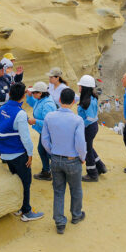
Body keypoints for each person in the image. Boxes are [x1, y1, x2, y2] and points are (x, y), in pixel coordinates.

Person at [40, 87, 87, 234]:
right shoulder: (77, 120)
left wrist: (53, 152)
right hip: (72, 159)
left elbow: (45, 140)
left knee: (58, 191)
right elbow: (80, 142)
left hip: (55, 158)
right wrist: (82, 157)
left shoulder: (49, 117)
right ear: (73, 102)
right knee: (76, 189)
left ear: (59, 100)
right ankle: (76, 215)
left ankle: (60, 222)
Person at [0, 83, 44, 222]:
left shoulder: (2, 108)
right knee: (25, 181)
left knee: (15, 179)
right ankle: (26, 211)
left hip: (4, 152)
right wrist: (30, 154)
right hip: (16, 153)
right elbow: (26, 138)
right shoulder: (20, 114)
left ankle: (18, 207)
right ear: (23, 95)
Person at [77, 75, 107, 181]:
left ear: (84, 88)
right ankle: (100, 166)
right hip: (93, 127)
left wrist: (80, 125)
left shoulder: (87, 101)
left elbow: (89, 118)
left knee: (87, 150)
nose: (78, 87)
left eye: (80, 85)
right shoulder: (91, 97)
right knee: (89, 147)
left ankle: (92, 174)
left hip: (88, 128)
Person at [26, 81, 57, 181]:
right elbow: (33, 104)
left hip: (49, 132)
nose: (33, 93)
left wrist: (35, 121)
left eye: (34, 92)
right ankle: (47, 171)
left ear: (40, 93)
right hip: (44, 132)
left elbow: (49, 123)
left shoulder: (47, 104)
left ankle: (54, 170)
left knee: (48, 152)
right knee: (43, 150)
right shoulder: (41, 99)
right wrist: (30, 96)